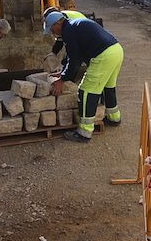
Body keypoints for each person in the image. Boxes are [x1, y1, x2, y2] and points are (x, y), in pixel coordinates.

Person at [43, 12, 123, 143]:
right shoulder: (72, 25)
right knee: (108, 86)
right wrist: (63, 73)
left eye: (51, 29)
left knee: (86, 91)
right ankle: (114, 118)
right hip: (116, 50)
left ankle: (84, 132)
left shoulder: (69, 31)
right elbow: (72, 56)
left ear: (57, 23)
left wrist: (62, 80)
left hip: (103, 55)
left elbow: (75, 60)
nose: (52, 33)